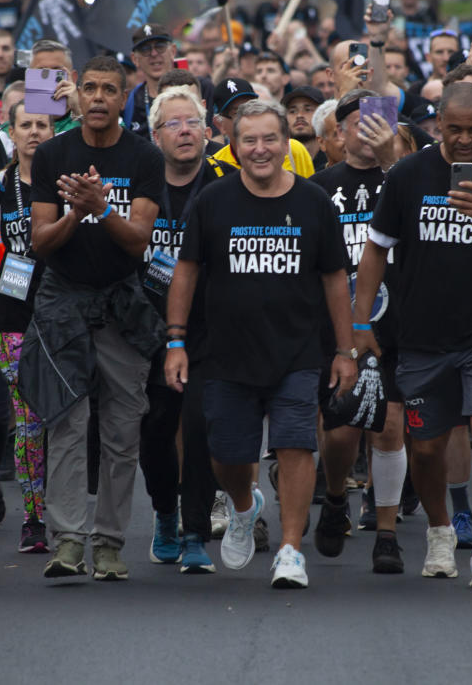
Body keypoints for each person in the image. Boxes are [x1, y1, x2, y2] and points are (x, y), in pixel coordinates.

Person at [353, 82, 472, 590]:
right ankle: (440, 531)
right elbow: (375, 249)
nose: (463, 140)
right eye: (452, 129)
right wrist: (360, 323)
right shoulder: (409, 175)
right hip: (421, 336)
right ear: (437, 123)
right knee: (429, 446)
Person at [165, 100, 356, 589]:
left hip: (297, 352)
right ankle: (245, 505)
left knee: (295, 444)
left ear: (286, 146)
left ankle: (291, 551)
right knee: (226, 455)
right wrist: (176, 341)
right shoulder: (212, 201)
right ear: (234, 146)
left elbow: (336, 278)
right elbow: (186, 271)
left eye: (270, 139)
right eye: (249, 140)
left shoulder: (314, 202)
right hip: (225, 353)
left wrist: (343, 349)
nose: (260, 149)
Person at [29, 55, 165, 582]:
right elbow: (41, 242)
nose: (100, 98)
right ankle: (66, 541)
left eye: (110, 89)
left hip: (122, 301)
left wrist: (103, 210)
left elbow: (138, 242)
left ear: (124, 96)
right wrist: (75, 214)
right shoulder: (53, 154)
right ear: (78, 96)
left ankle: (108, 543)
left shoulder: (144, 157)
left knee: (122, 428)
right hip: (62, 299)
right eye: (91, 88)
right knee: (66, 422)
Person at [308, 89, 410, 572]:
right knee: (344, 427)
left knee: (391, 427)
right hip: (339, 326)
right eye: (360, 123)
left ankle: (386, 534)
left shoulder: (406, 179)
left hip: (398, 322)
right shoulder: (319, 187)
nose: (370, 133)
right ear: (340, 131)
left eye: (380, 123)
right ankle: (333, 498)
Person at [140, 85, 235, 574]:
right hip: (147, 326)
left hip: (208, 328)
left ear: (208, 130)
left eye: (193, 122)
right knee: (155, 428)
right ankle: (164, 513)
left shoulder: (227, 184)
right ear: (156, 136)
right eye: (173, 123)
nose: (184, 131)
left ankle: (196, 531)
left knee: (199, 428)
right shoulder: (141, 182)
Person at [0, 101, 54, 553]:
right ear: (11, 133)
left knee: (65, 420)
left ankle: (67, 511)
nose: (34, 132)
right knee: (29, 417)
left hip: (61, 307)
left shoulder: (67, 179)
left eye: (42, 124)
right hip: (12, 310)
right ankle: (33, 516)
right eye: (25, 125)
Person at [123, 24, 176, 138]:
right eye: (145, 49)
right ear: (135, 59)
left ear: (173, 51)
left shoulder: (198, 89)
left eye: (160, 46)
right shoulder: (129, 102)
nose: (154, 54)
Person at [281, 86, 326, 170]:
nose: (299, 116)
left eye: (308, 109)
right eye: (292, 111)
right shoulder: (280, 163)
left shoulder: (332, 160)